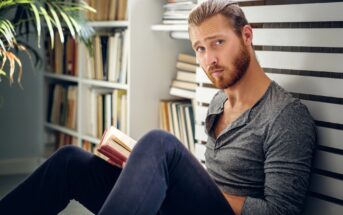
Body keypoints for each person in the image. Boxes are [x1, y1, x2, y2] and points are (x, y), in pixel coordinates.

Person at [0, 0, 316, 214]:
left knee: (159, 142)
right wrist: (143, 173)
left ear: (246, 36)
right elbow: (212, 180)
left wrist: (177, 182)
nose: (209, 59)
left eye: (218, 43)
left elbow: (280, 211)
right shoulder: (219, 102)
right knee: (70, 161)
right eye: (200, 48)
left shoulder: (285, 116)